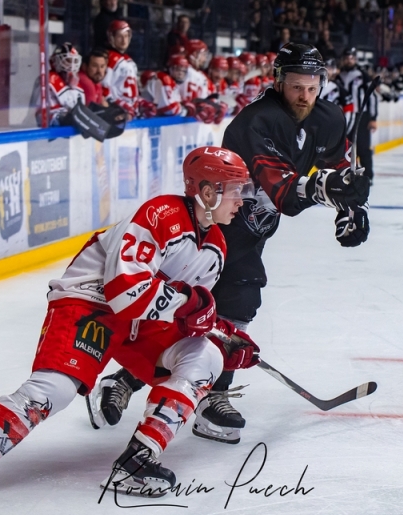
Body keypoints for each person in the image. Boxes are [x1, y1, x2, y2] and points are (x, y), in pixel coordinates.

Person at [0, 146, 259, 507]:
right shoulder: (161, 214)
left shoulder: (216, 246)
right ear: (208, 191)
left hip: (138, 324)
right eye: (236, 190)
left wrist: (222, 335)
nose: (242, 201)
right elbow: (126, 291)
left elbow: (184, 313)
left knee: (206, 356)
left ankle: (136, 462)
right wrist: (193, 307)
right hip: (90, 302)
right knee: (56, 389)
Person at [87, 43, 371, 445]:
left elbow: (336, 167)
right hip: (208, 232)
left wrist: (350, 207)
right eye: (295, 87)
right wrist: (329, 190)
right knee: (188, 311)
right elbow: (283, 193)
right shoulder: (256, 121)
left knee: (237, 304)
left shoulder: (325, 116)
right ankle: (125, 380)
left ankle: (211, 397)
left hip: (251, 232)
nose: (304, 96)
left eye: (311, 87)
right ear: (278, 82)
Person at [101, 20, 155, 119]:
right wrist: (121, 107)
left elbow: (130, 92)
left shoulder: (129, 60)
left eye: (126, 36)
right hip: (119, 115)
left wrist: (139, 102)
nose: (124, 40)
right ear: (111, 38)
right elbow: (104, 90)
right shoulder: (110, 59)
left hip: (131, 114)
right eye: (120, 36)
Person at [339, 47, 377, 184]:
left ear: (355, 59)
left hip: (361, 116)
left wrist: (373, 118)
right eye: (347, 57)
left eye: (352, 58)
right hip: (345, 117)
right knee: (346, 148)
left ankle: (367, 176)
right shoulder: (338, 76)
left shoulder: (363, 76)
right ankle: (348, 175)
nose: (349, 60)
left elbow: (372, 97)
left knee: (363, 147)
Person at [30, 42, 85, 126]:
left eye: (75, 61)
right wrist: (60, 118)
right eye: (67, 60)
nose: (72, 65)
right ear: (56, 60)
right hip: (51, 134)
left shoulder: (77, 86)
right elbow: (37, 114)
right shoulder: (45, 81)